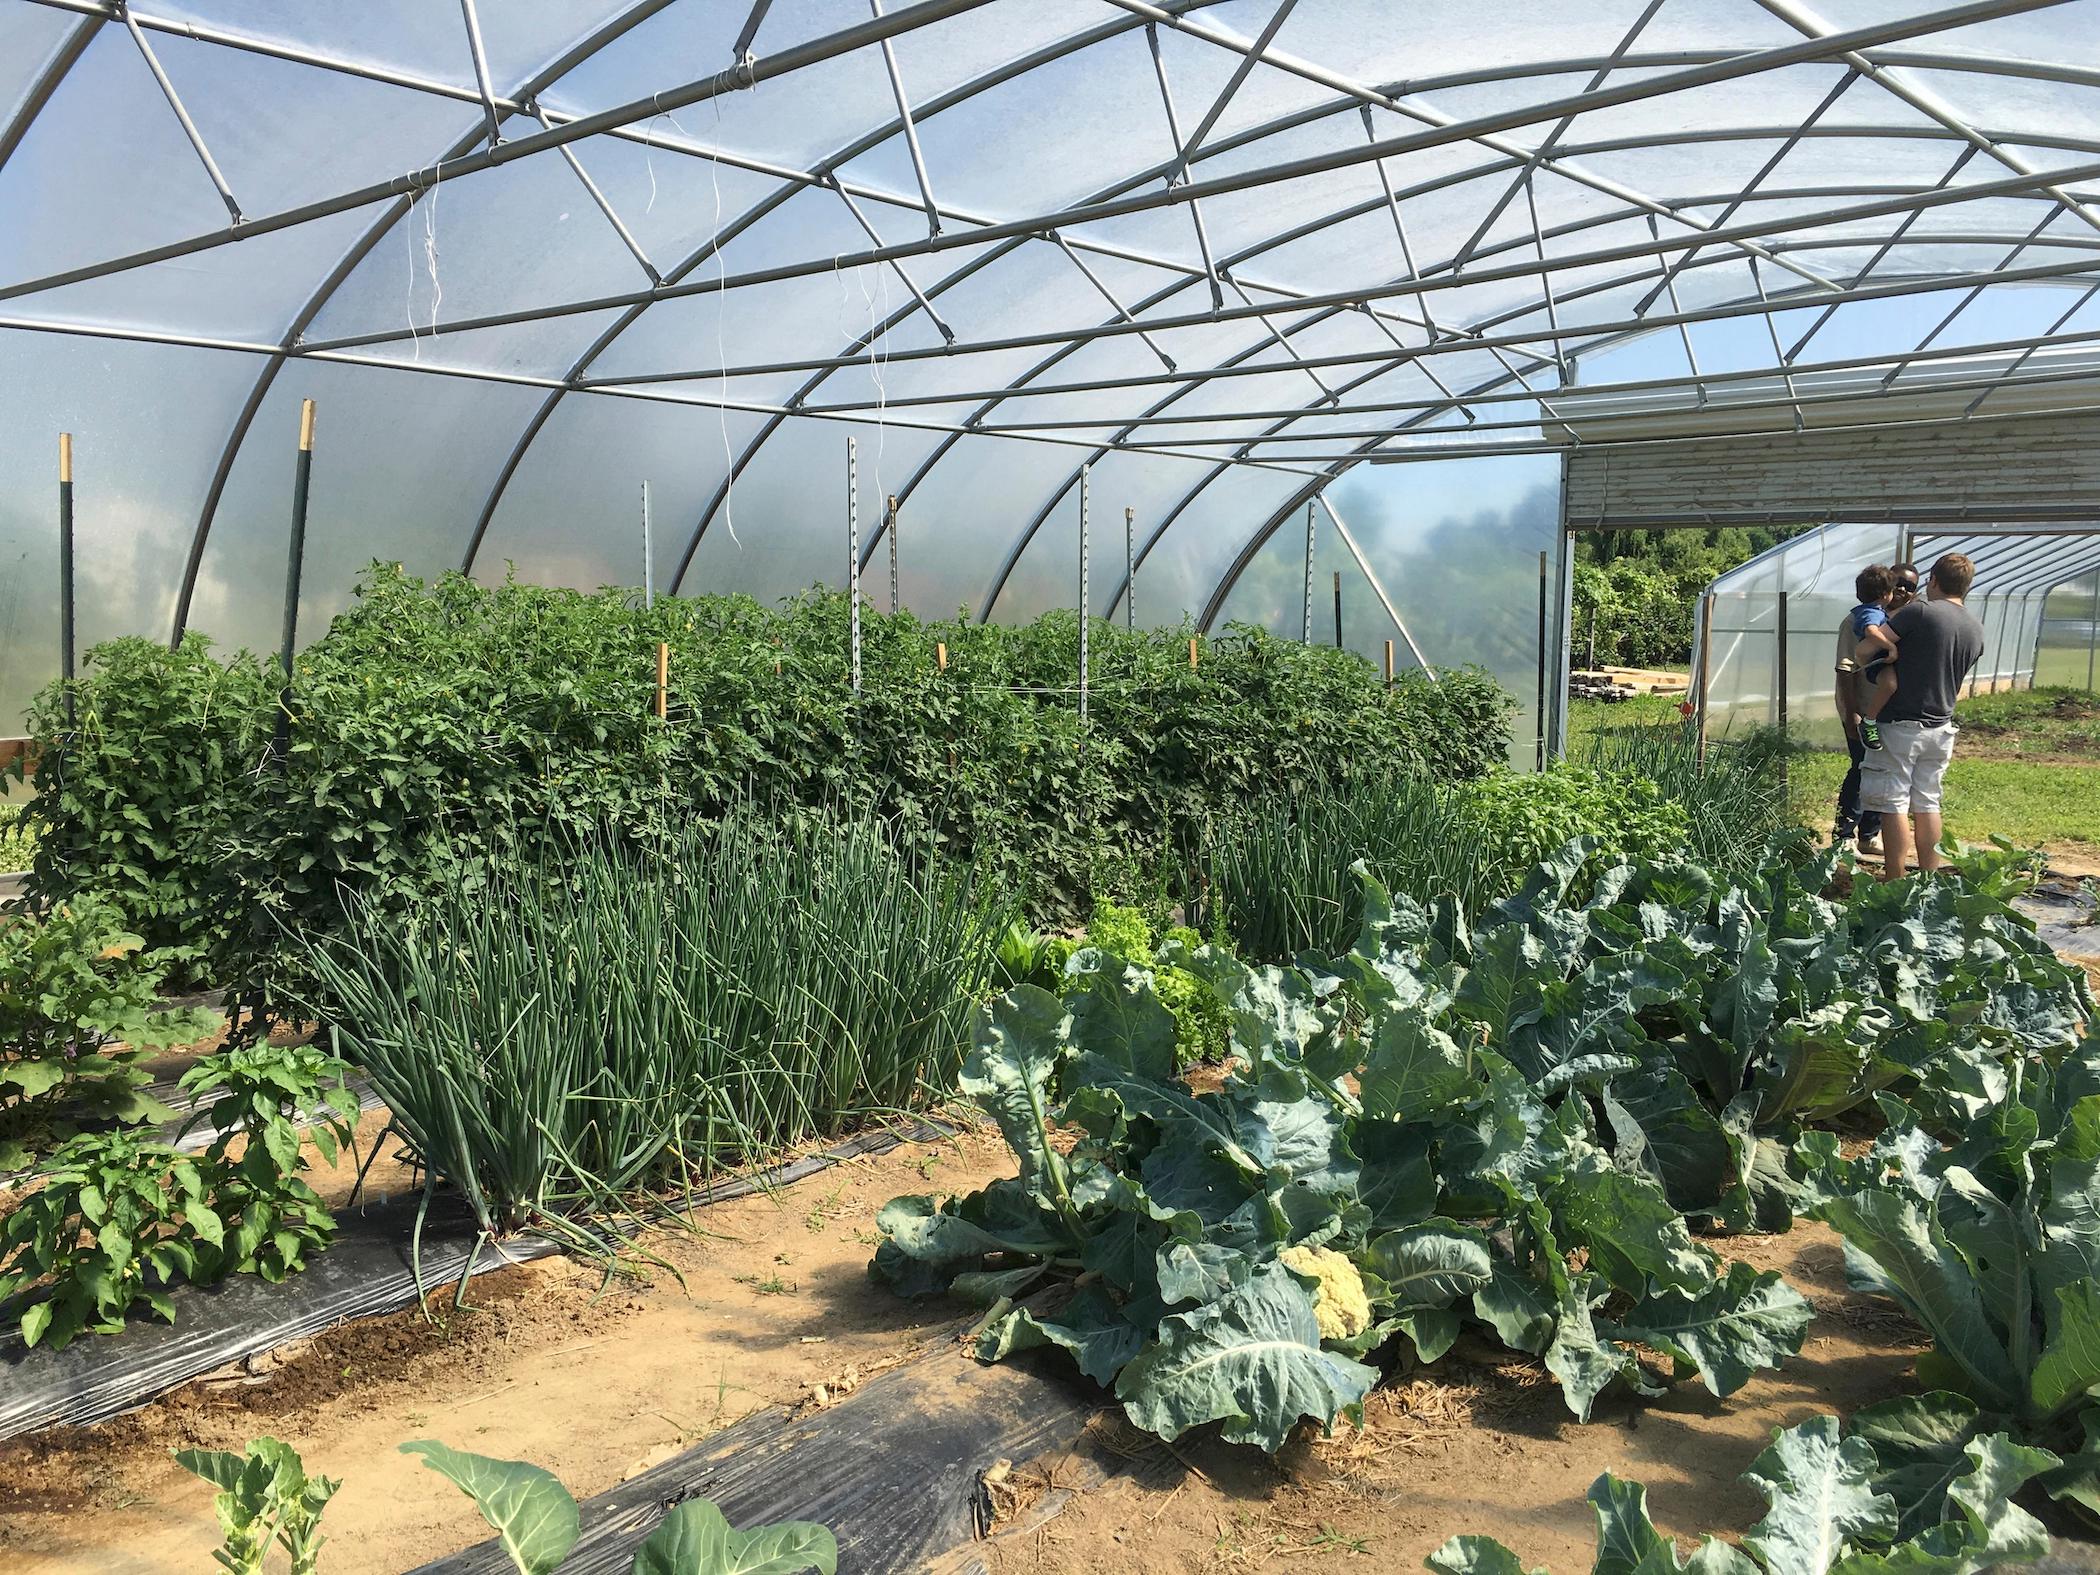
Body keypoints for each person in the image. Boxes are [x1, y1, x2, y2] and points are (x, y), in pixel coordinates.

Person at [1857, 553, 1984, 881]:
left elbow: (1872, 647)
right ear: (1966, 586)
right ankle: (1929, 878)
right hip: (1941, 727)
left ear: (1934, 581)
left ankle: (1895, 880)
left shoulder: (1920, 611)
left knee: (1893, 802)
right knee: (1928, 802)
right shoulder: (1974, 627)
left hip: (1901, 725)